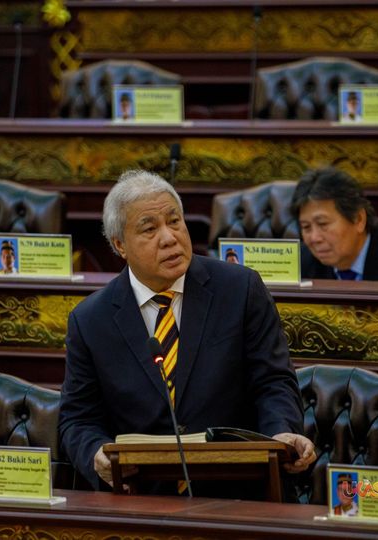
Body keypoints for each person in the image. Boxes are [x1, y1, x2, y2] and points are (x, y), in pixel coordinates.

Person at [58, 169, 315, 497]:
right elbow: (77, 419)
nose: (169, 238)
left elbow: (273, 381)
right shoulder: (90, 319)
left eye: (174, 221)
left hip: (239, 488)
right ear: (120, 245)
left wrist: (280, 434)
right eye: (149, 229)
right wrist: (96, 453)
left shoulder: (239, 289)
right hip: (143, 497)